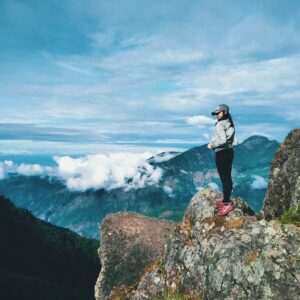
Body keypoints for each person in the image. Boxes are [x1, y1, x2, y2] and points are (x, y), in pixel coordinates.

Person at [207, 104, 236, 216]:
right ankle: (226, 200)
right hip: (229, 152)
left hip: (222, 153)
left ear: (224, 112)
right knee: (228, 177)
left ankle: (226, 204)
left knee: (224, 179)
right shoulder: (229, 122)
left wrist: (212, 144)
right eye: (215, 114)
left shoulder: (220, 124)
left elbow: (222, 140)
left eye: (218, 113)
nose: (216, 115)